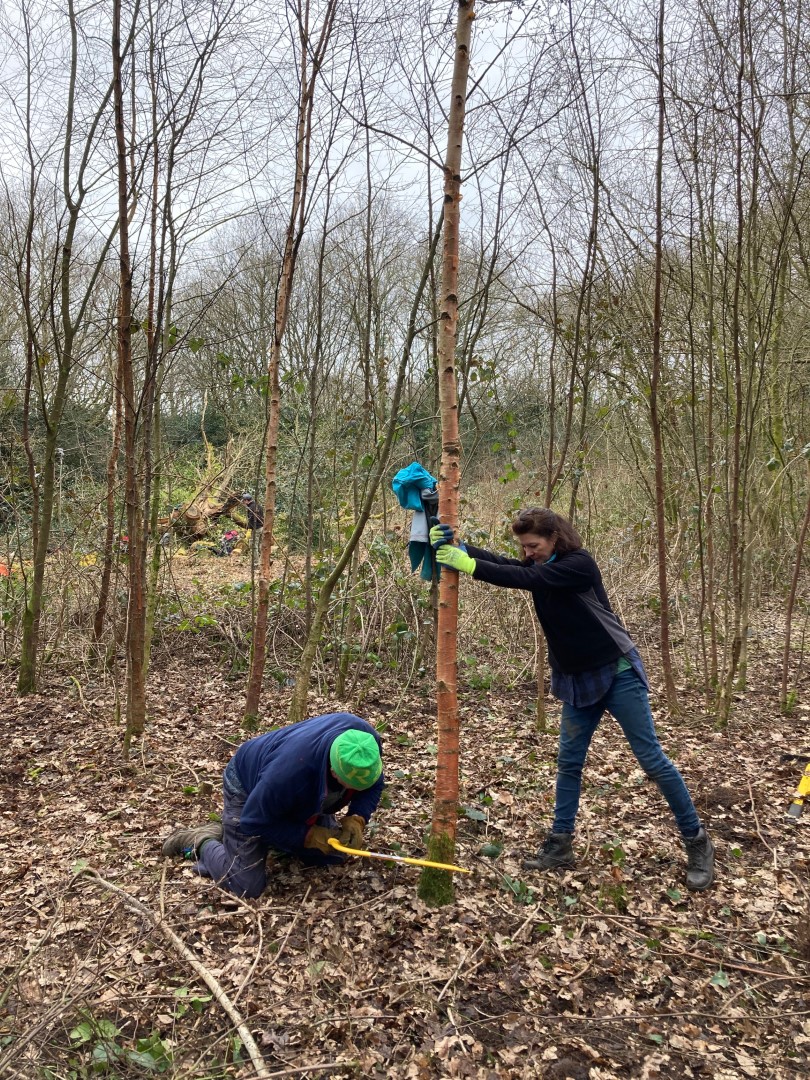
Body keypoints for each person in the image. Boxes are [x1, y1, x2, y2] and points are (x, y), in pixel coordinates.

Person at [431, 508, 715, 891]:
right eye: (525, 547)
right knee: (569, 762)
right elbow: (510, 566)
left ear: (554, 538)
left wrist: (467, 564)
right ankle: (560, 845)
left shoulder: (578, 564)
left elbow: (523, 577)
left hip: (616, 673)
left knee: (651, 759)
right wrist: (461, 548)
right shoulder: (540, 565)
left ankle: (697, 841)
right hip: (577, 680)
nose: (528, 552)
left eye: (534, 545)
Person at [161, 712, 384, 898]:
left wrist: (357, 817)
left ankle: (241, 836)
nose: (356, 789)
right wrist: (308, 836)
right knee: (246, 885)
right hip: (247, 787)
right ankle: (201, 840)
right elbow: (253, 822)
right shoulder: (287, 774)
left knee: (333, 854)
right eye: (350, 784)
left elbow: (373, 785)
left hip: (302, 793)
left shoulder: (366, 745)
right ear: (334, 770)